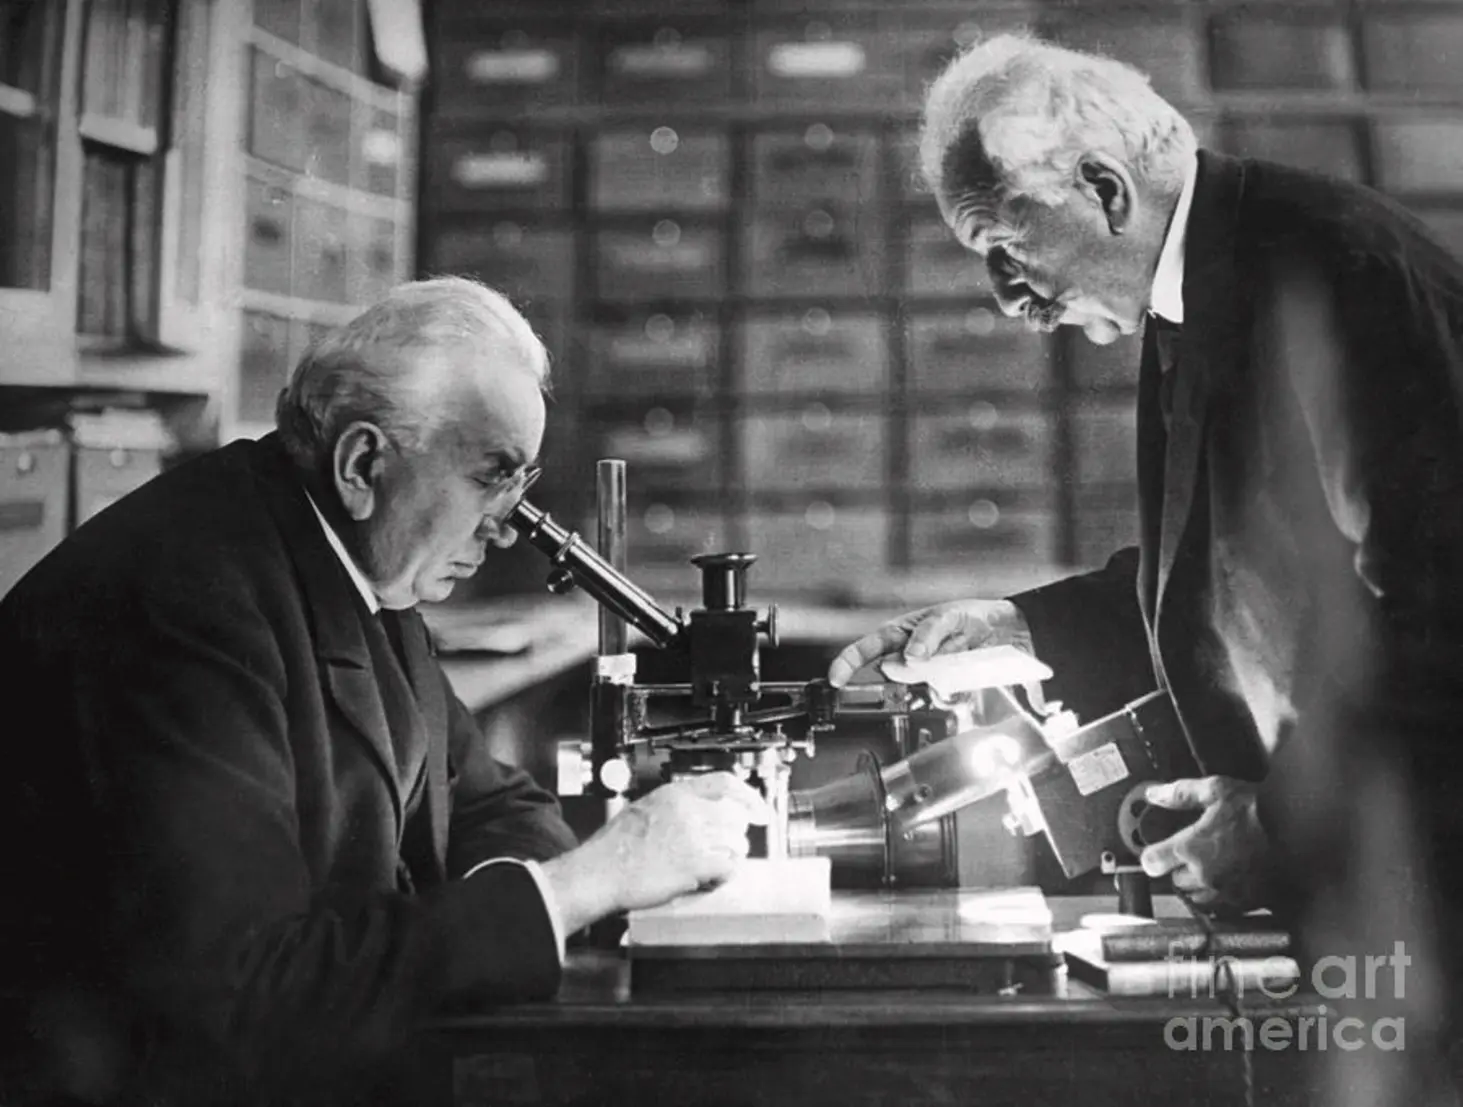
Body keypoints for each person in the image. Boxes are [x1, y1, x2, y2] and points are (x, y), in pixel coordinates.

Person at [829, 33, 1463, 1098]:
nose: (1005, 297)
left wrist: (1275, 827)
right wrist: (1018, 627)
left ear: (1102, 189)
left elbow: (1439, 611)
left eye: (1003, 242)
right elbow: (1224, 569)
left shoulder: (1335, 275)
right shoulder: (1200, 288)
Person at [0, 277, 767, 1107]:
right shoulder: (181, 604)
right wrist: (582, 885)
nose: (508, 525)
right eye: (492, 476)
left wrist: (530, 890)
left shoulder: (358, 564)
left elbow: (487, 801)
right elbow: (240, 1000)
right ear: (364, 462)